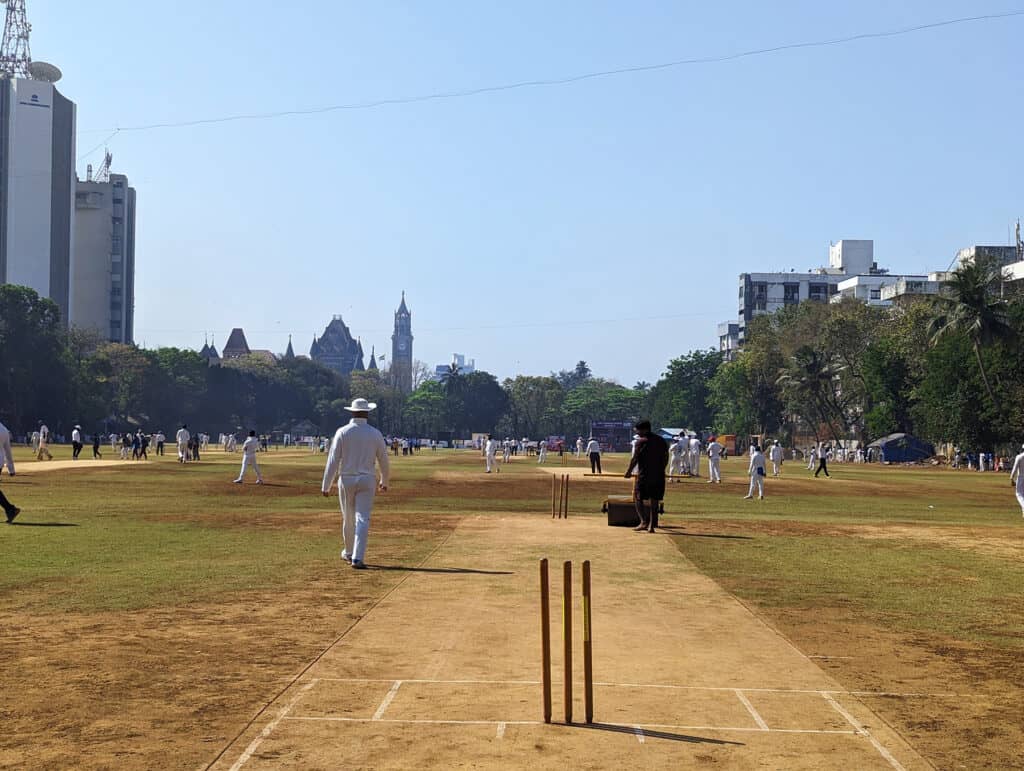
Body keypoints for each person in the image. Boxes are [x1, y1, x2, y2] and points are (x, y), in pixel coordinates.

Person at [321, 398, 390, 570]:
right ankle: (357, 557)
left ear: (352, 412)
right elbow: (383, 459)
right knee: (363, 518)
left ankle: (350, 552)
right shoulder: (375, 433)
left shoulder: (343, 432)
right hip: (367, 479)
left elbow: (333, 460)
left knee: (348, 518)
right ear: (367, 413)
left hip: (347, 478)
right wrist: (384, 480)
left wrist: (326, 485)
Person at [625, 420, 668, 533]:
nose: (637, 432)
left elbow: (635, 458)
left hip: (644, 475)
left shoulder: (641, 442)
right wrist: (662, 469)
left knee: (638, 497)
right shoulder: (661, 440)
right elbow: (666, 457)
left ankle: (643, 522)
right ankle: (652, 526)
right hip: (658, 476)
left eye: (638, 430)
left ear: (644, 429)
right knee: (654, 500)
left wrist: (629, 471)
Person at [1010, 443, 1024, 517]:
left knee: (1019, 494)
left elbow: (1015, 468)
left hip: (1021, 477)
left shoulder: (1019, 457)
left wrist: (1011, 478)